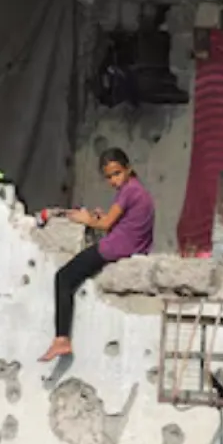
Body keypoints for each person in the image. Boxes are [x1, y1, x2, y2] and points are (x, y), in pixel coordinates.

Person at [39, 148, 155, 362]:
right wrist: (100, 218)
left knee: (63, 277)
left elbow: (106, 224)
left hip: (116, 247)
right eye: (109, 176)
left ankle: (61, 338)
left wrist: (85, 219)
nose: (114, 180)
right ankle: (61, 339)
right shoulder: (137, 190)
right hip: (131, 246)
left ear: (128, 169)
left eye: (117, 173)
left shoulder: (129, 191)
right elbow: (121, 221)